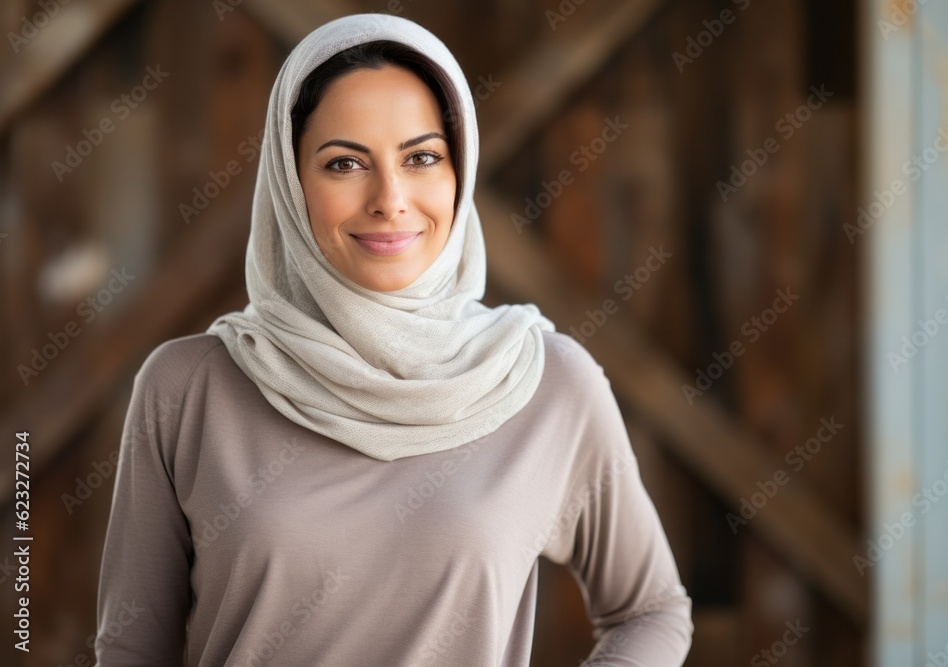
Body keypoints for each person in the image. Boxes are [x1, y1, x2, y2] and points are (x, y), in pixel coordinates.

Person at [94, 13, 693, 666]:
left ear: (458, 171)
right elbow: (130, 647)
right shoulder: (187, 387)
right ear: (291, 184)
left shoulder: (544, 381)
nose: (390, 198)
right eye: (345, 162)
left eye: (422, 157)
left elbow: (650, 610)